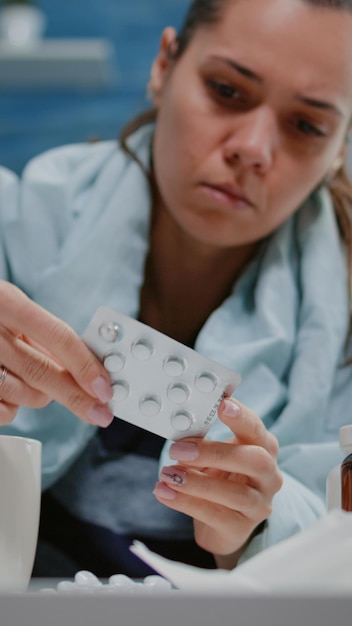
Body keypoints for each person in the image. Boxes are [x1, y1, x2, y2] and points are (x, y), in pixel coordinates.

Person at [0, 0, 352, 578]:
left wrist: (264, 524)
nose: (253, 150)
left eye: (307, 126)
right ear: (163, 67)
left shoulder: (342, 328)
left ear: (339, 148)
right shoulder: (20, 225)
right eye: (227, 91)